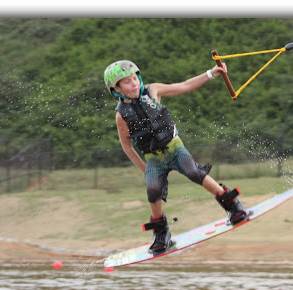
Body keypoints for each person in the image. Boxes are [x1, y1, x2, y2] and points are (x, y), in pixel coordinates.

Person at [103, 60, 247, 253]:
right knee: (153, 189)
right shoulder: (121, 115)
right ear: (116, 89)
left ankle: (232, 205)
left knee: (194, 172)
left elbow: (184, 86)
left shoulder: (152, 91)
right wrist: (144, 169)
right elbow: (127, 147)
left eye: (134, 78)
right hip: (153, 157)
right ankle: (162, 234)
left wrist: (211, 73)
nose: (134, 83)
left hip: (175, 147)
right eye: (127, 82)